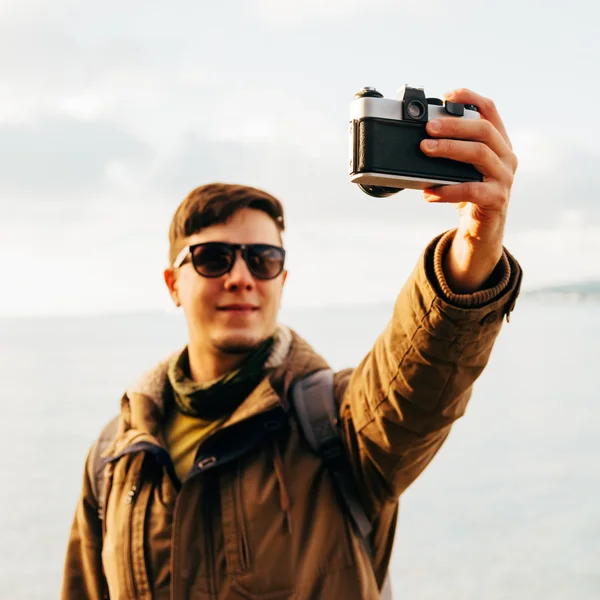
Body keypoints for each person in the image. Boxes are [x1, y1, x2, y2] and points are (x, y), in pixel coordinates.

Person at [61, 88, 522, 600]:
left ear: (282, 279)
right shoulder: (116, 455)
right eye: (214, 258)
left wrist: (475, 246)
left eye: (262, 260)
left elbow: (416, 375)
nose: (241, 277)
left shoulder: (339, 425)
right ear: (173, 283)